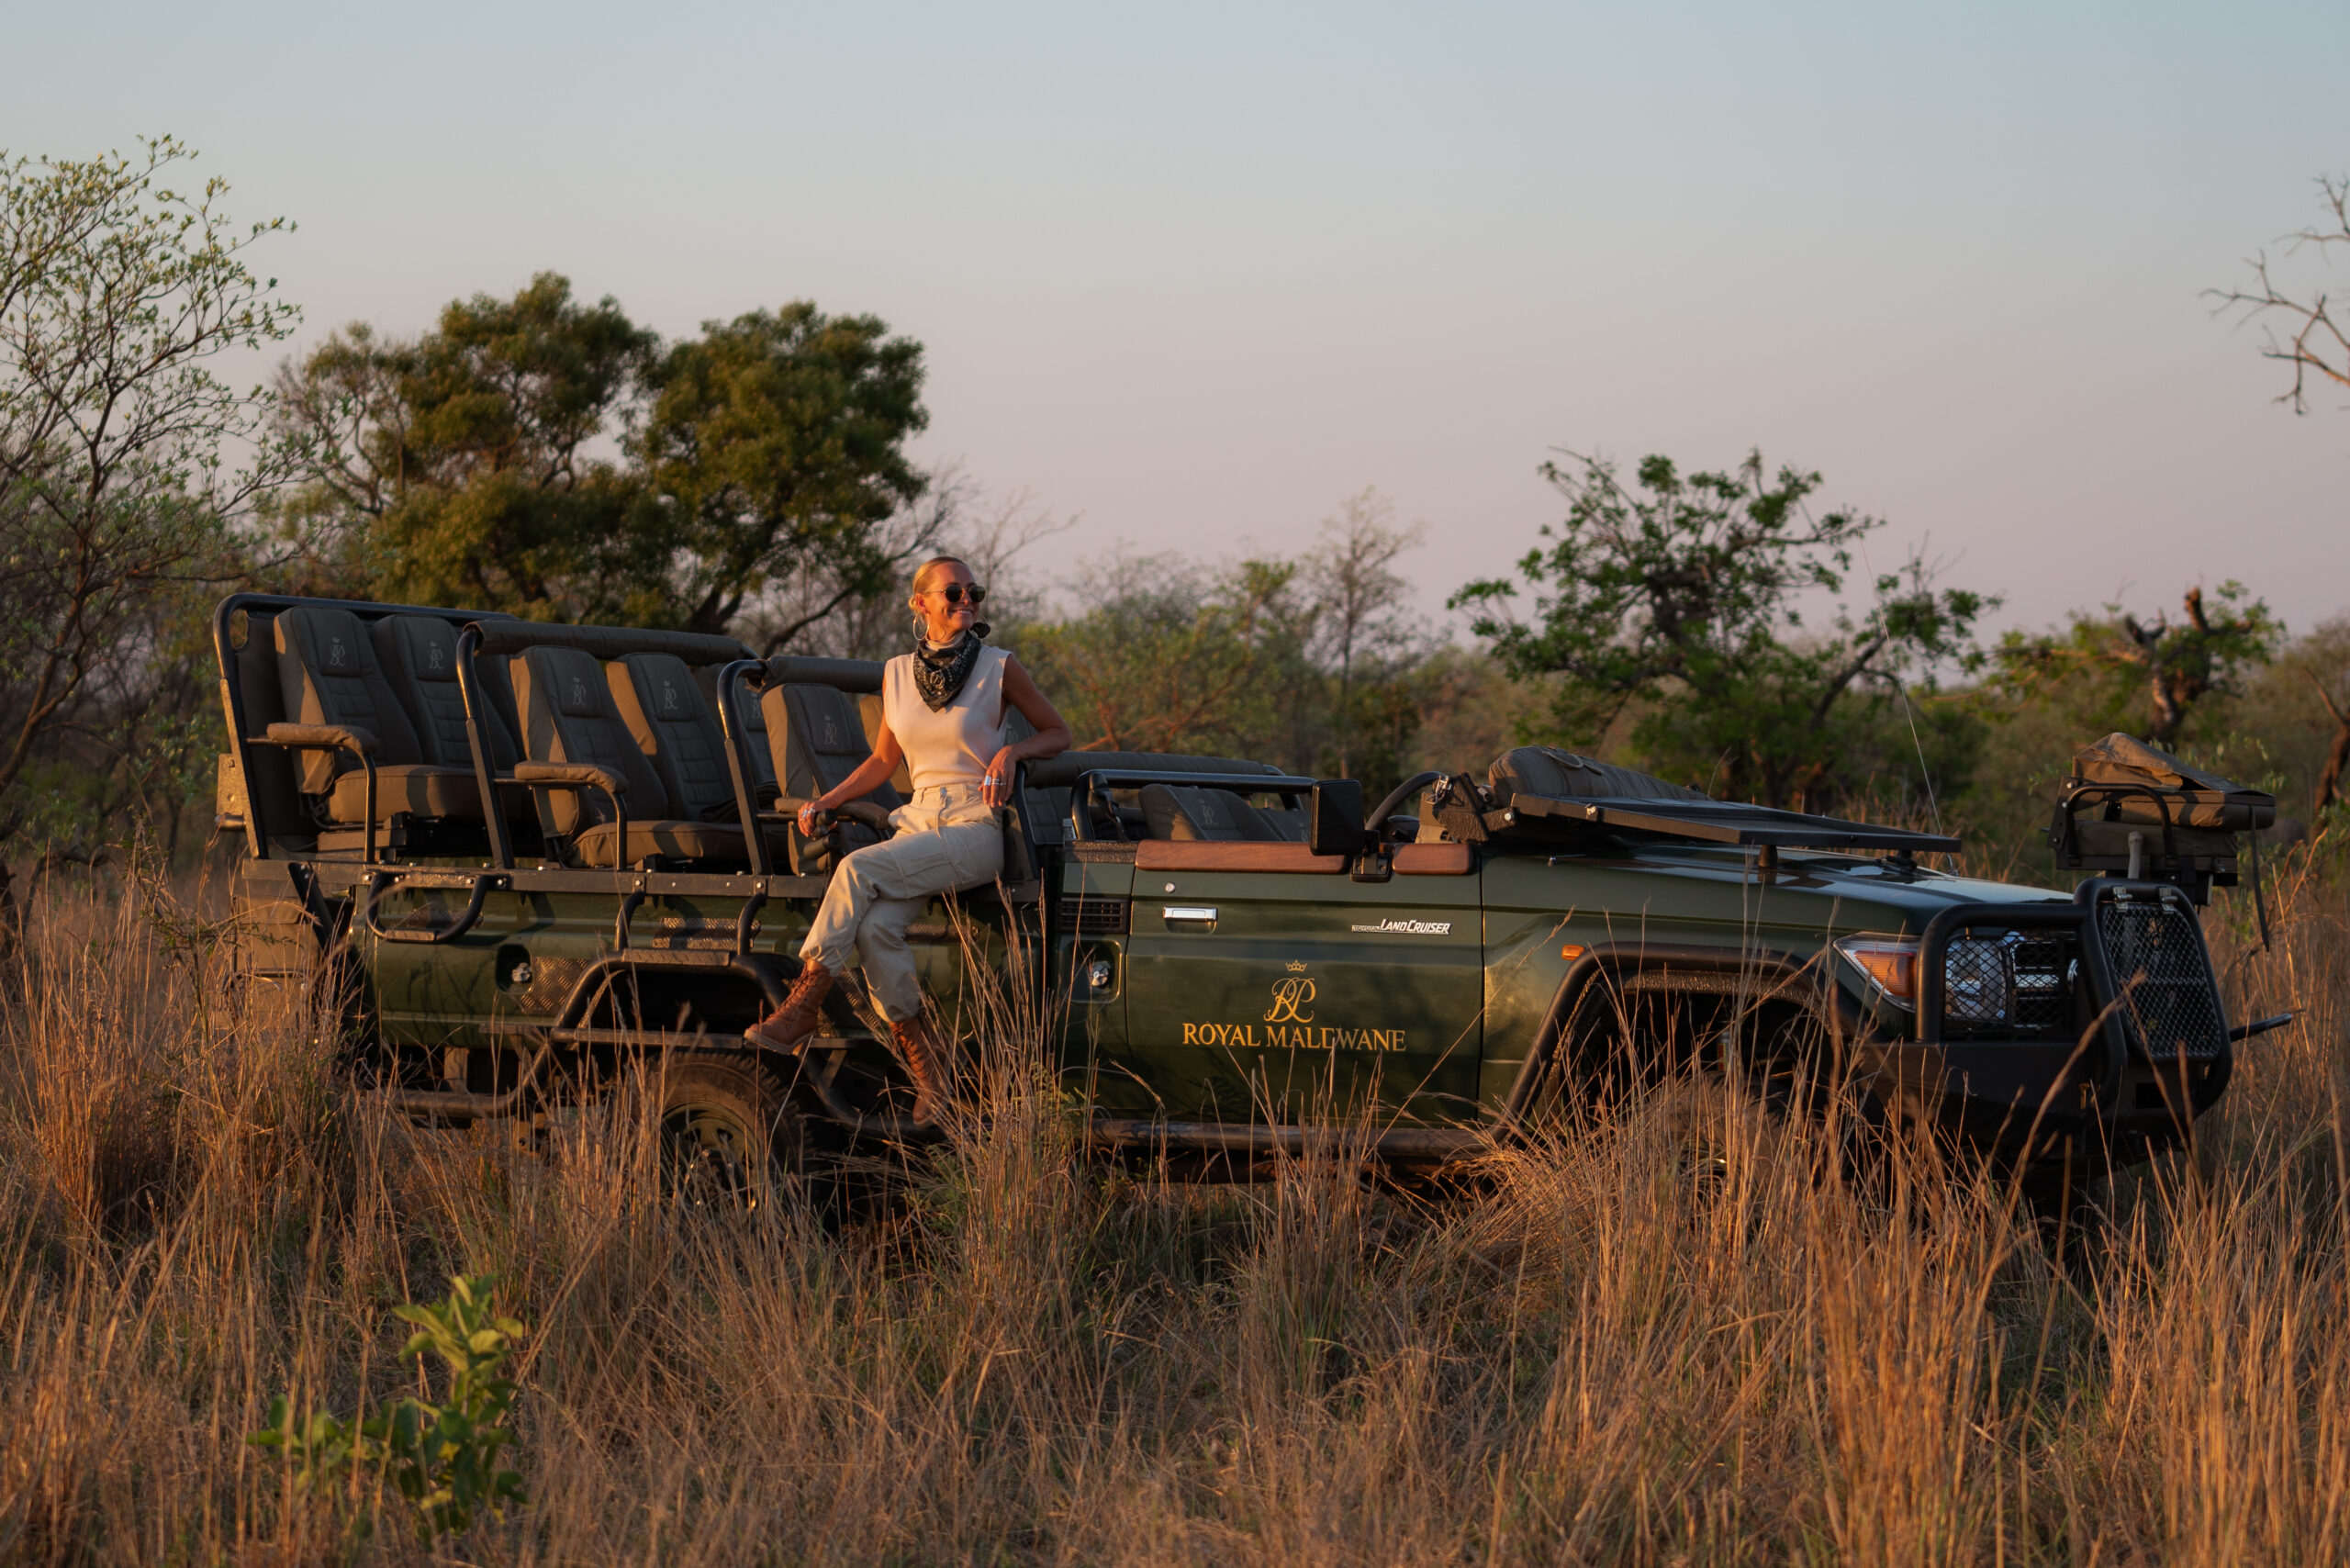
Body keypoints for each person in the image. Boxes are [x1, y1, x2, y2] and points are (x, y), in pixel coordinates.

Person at [744, 555, 1070, 1126]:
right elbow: (882, 761)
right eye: (953, 591)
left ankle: (804, 1003)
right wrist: (828, 800)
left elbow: (1058, 732)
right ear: (920, 603)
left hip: (975, 826)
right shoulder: (896, 673)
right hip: (918, 820)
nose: (966, 599)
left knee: (857, 870)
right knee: (873, 930)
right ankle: (931, 1073)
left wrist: (1013, 751)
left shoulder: (999, 667)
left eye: (974, 591)